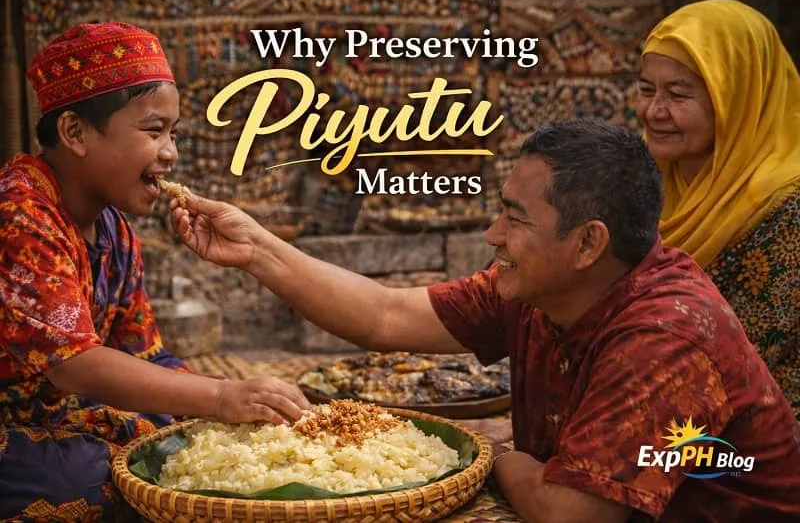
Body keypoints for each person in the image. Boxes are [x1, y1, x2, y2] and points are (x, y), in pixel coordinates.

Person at [170, 119, 800, 522]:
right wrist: (255, 248)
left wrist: (486, 454)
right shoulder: (538, 287)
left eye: (515, 219)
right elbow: (385, 317)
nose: (492, 234)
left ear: (587, 244)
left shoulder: (665, 336)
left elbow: (564, 513)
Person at [0, 22, 309, 522]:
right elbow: (74, 364)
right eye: (154, 131)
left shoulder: (114, 230)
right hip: (11, 423)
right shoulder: (20, 213)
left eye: (174, 133)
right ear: (75, 132)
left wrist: (238, 414)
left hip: (63, 415)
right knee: (98, 478)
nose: (171, 152)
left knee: (184, 445)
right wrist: (219, 394)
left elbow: (144, 355)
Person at [636, 0, 800, 418]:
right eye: (645, 89)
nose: (654, 112)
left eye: (677, 94)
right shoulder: (647, 175)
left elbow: (737, 359)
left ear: (737, 98)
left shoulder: (786, 210)